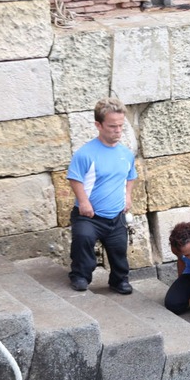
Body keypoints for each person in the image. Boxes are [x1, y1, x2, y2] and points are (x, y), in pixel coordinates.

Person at [67, 98, 137, 294]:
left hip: (116, 216)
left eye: (121, 126)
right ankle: (80, 276)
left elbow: (130, 176)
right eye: (112, 126)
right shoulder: (86, 153)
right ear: (98, 125)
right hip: (89, 215)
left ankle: (118, 281)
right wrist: (83, 201)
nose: (117, 130)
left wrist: (128, 196)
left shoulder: (125, 153)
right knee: (83, 238)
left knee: (118, 250)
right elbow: (75, 178)